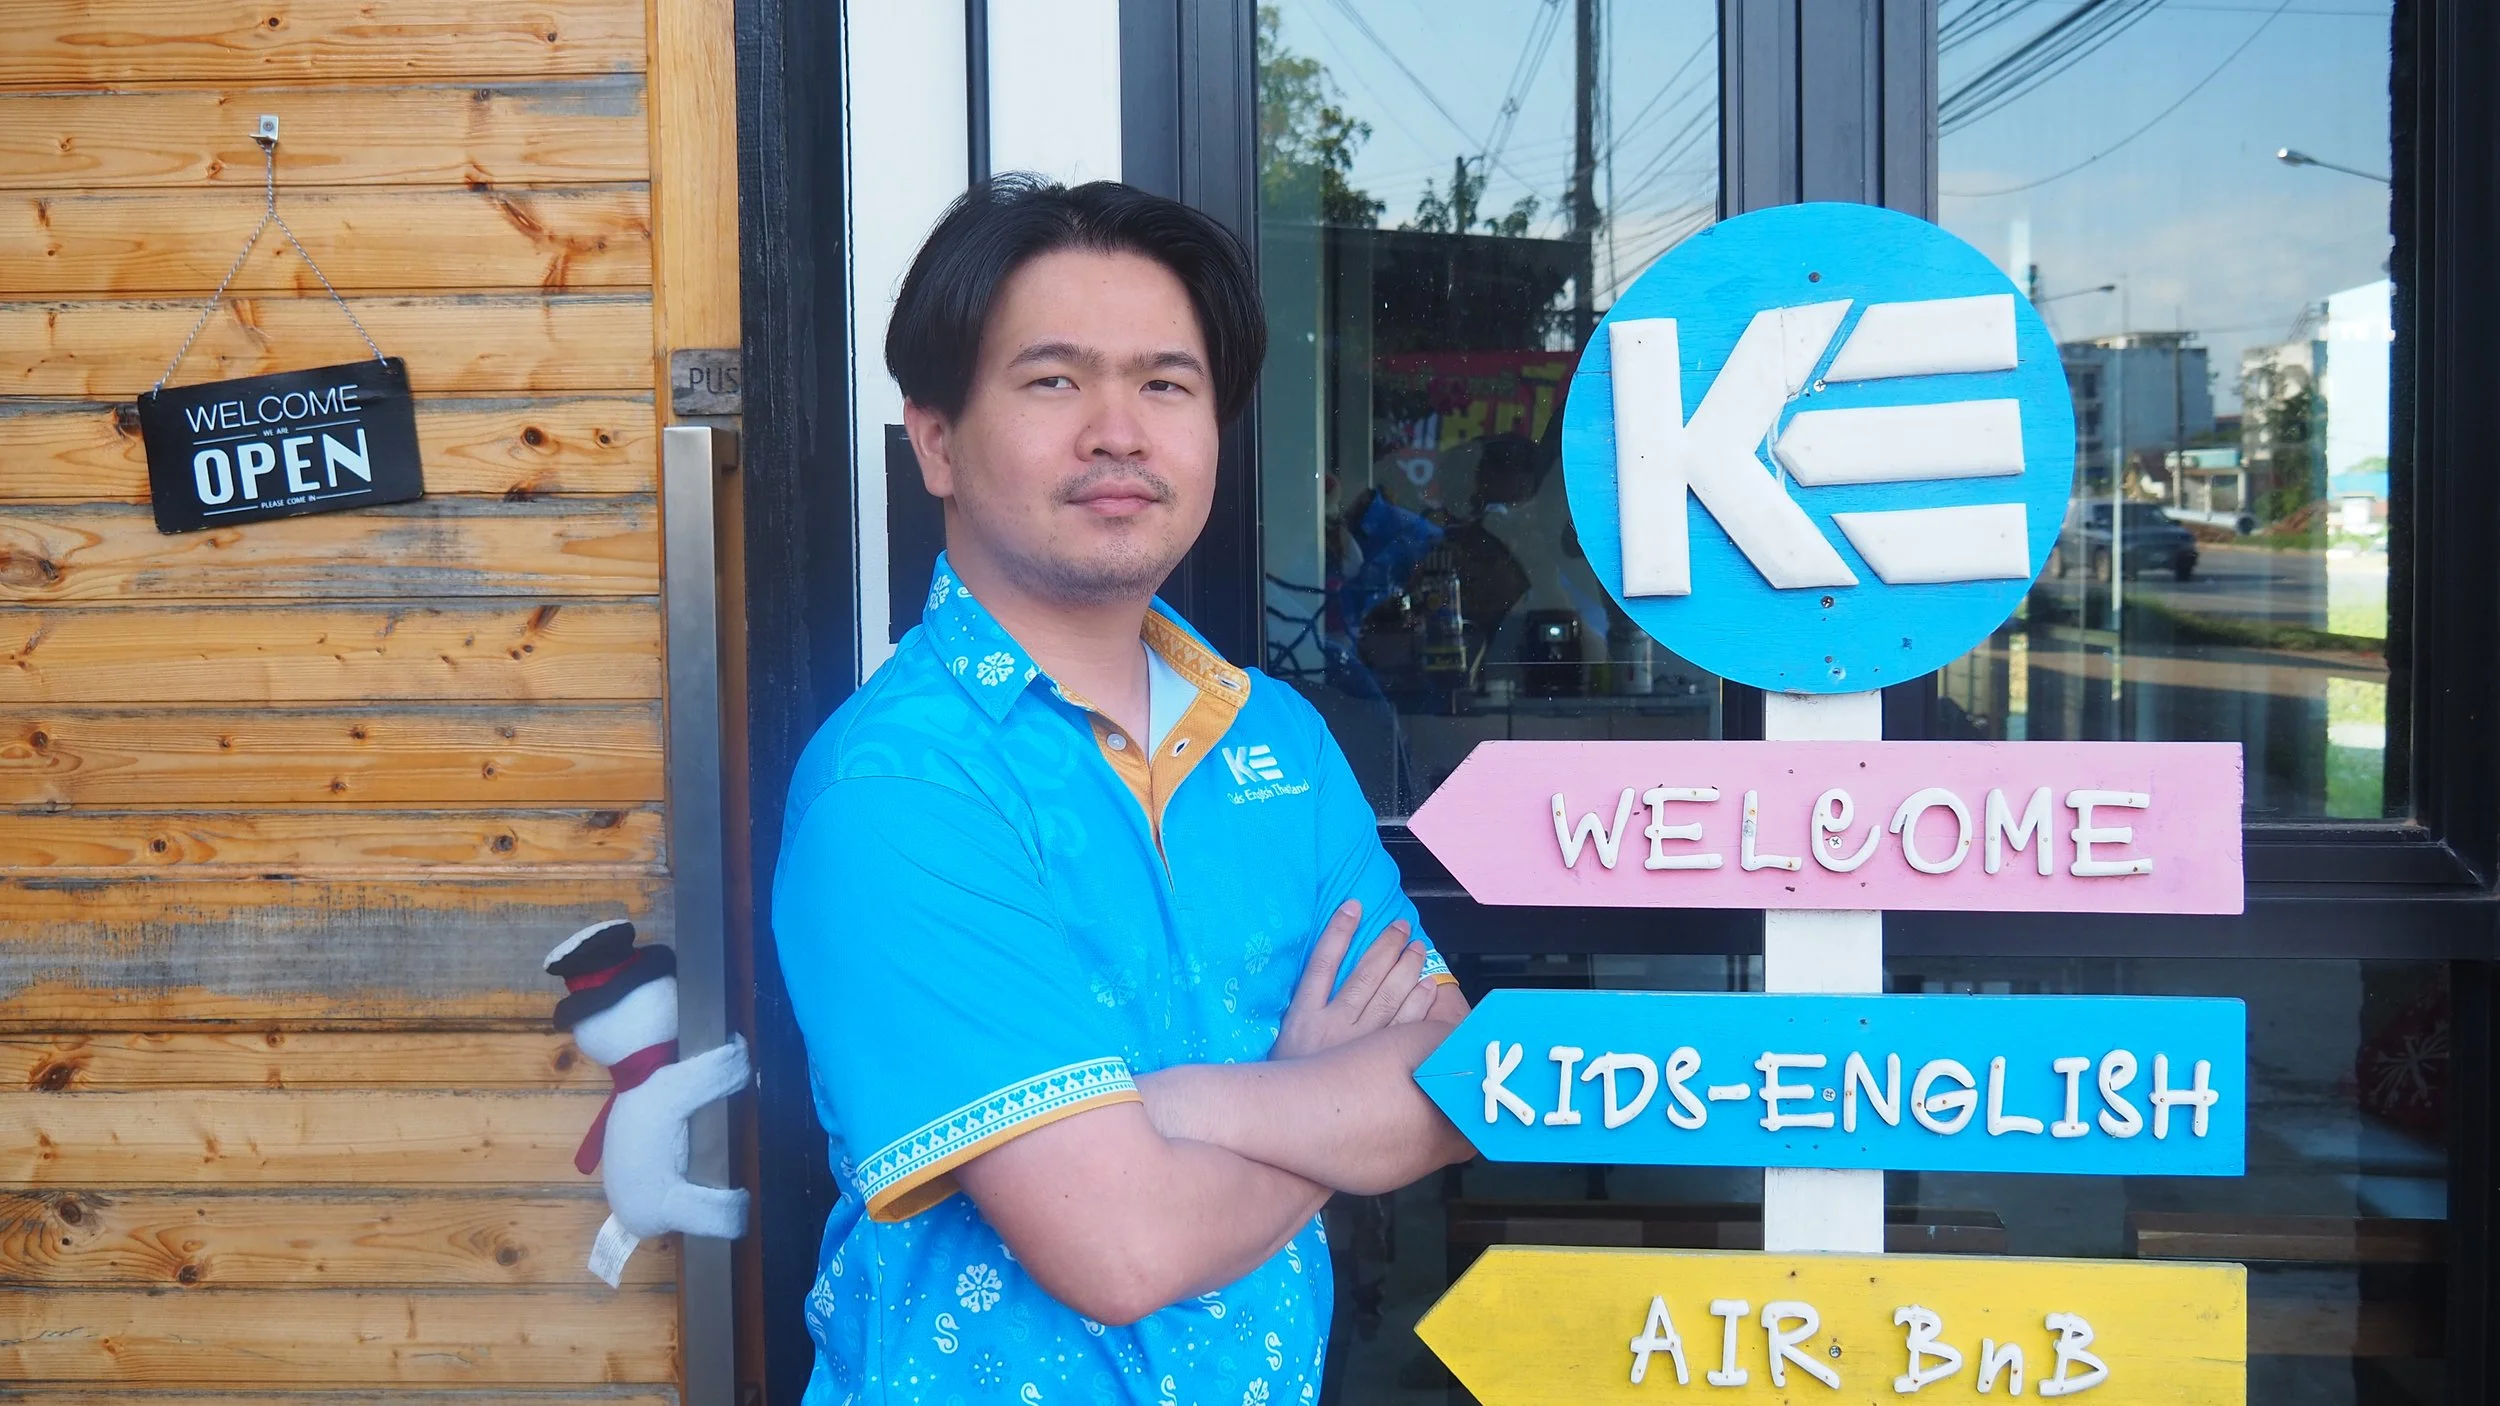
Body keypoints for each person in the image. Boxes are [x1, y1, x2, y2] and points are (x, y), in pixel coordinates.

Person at [772, 175, 1475, 1406]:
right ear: (934, 438)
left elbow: (1448, 1081)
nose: (1118, 430)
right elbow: (1119, 1244)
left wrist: (1181, 1105)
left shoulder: (1281, 741)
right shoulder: (899, 785)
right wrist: (1315, 1096)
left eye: (1166, 382)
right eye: (1053, 380)